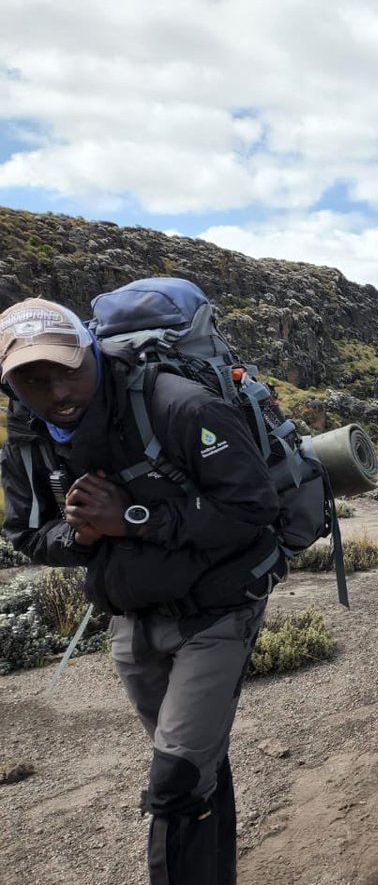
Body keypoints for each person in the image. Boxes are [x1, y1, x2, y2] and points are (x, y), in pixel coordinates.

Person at [0, 297, 286, 885]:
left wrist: (129, 518)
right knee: (192, 765)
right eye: (31, 378)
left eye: (65, 369)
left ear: (91, 351)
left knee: (174, 784)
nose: (55, 392)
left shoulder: (180, 406)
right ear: (9, 384)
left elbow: (254, 508)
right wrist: (78, 536)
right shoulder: (28, 436)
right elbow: (27, 535)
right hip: (130, 618)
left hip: (219, 607)